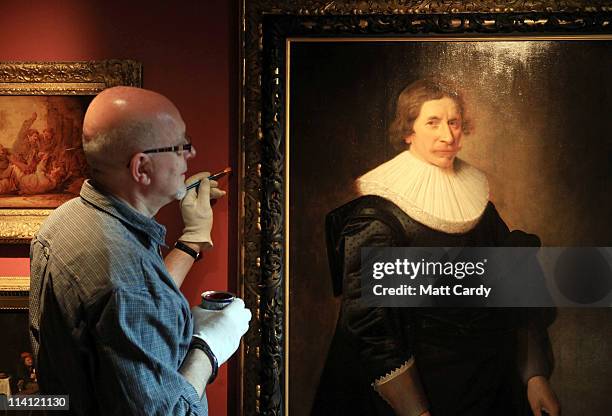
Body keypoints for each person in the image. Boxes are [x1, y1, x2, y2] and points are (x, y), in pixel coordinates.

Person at [312, 79, 560, 416]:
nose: (448, 135)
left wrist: (534, 374)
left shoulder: (479, 205)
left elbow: (515, 282)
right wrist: (415, 410)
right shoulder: (376, 214)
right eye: (433, 122)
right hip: (416, 386)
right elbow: (373, 325)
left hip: (486, 380)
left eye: (454, 122)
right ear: (408, 131)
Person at [29, 86, 251, 415]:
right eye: (181, 146)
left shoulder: (64, 221)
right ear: (141, 168)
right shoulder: (125, 279)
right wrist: (209, 348)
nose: (192, 153)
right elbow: (169, 412)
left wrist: (192, 237)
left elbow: (132, 308)